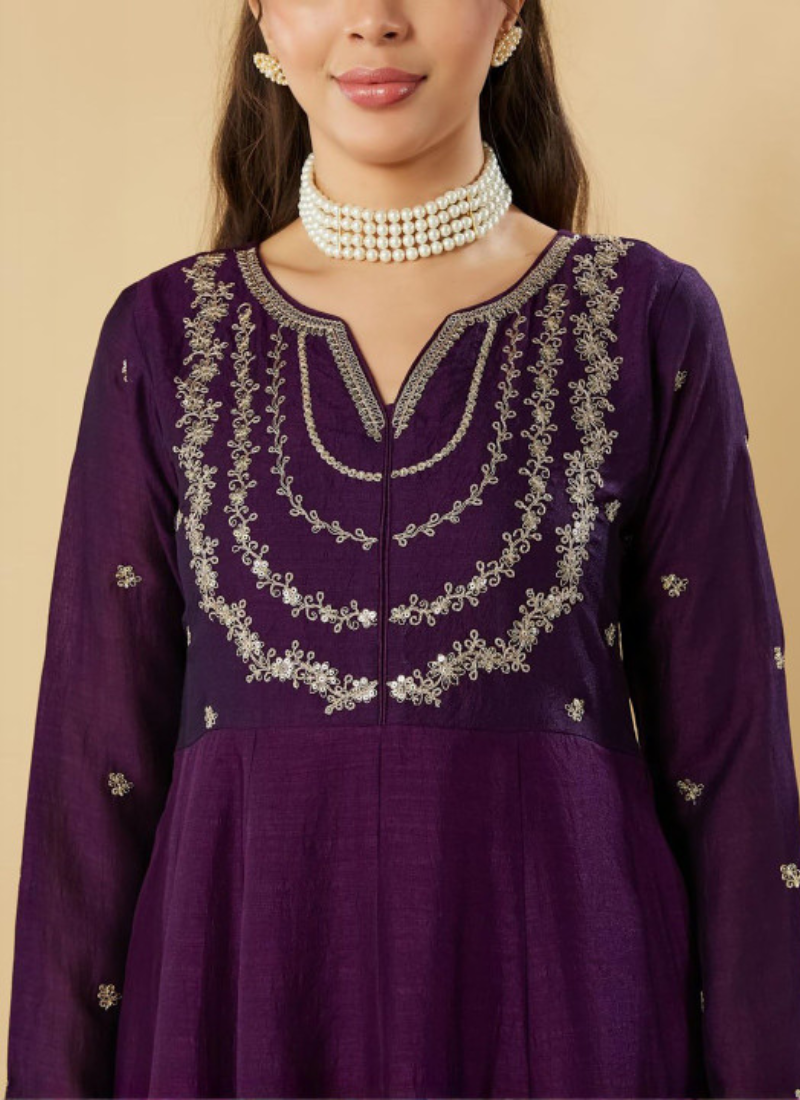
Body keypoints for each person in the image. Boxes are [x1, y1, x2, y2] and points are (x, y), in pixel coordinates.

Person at [6, 0, 800, 1096]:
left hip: (567, 1022)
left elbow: (731, 761)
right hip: (237, 1017)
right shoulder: (166, 340)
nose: (373, 21)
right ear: (264, 19)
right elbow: (91, 784)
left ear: (509, 11)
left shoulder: (645, 321)